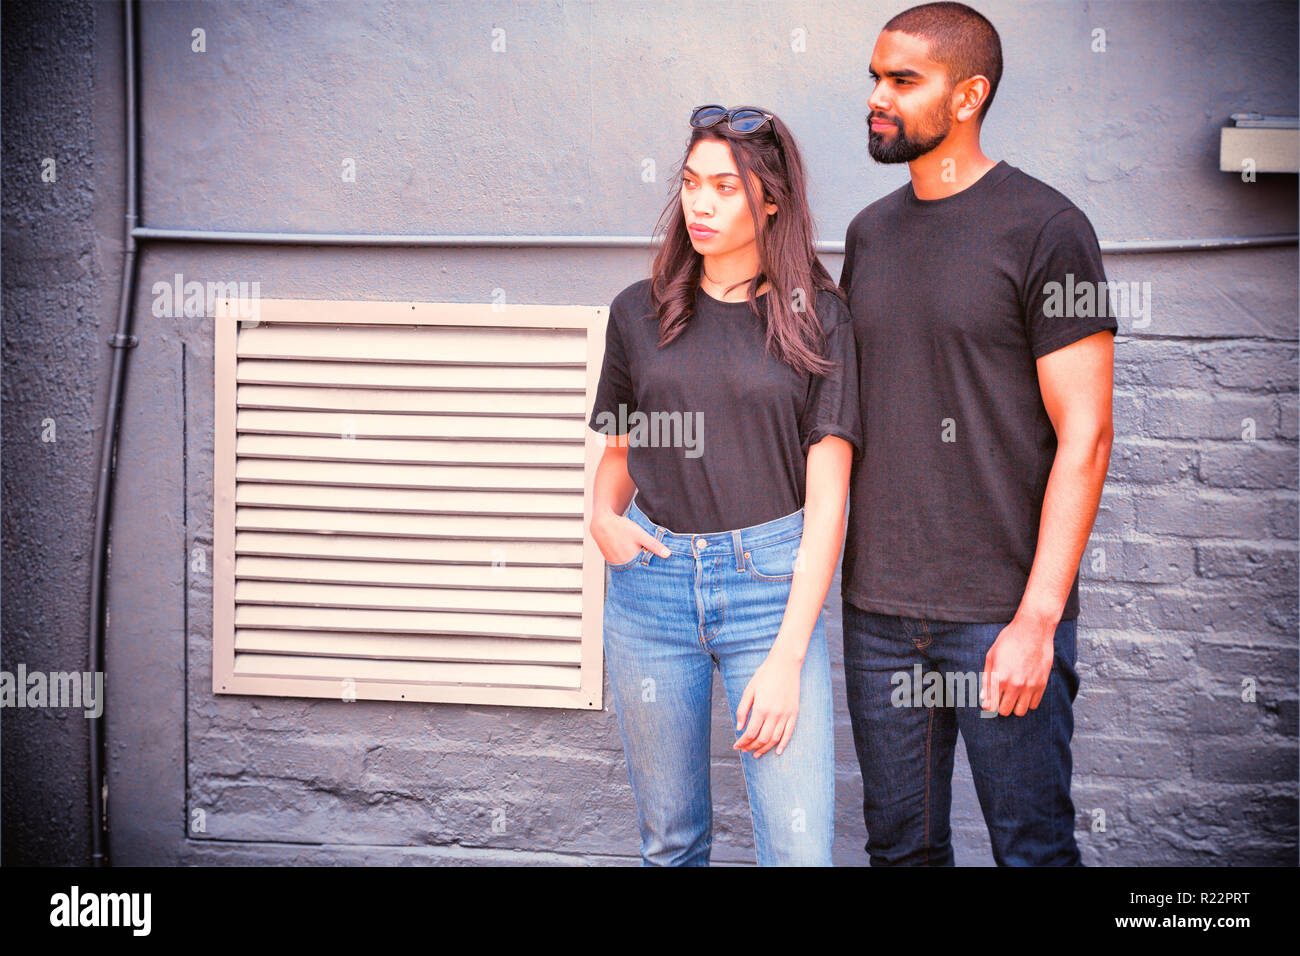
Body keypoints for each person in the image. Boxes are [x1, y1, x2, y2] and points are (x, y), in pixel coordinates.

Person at [839, 1, 1116, 866]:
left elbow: (1089, 434)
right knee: (901, 851)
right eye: (875, 78)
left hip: (999, 613)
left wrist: (1038, 618)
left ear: (968, 97)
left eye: (902, 81)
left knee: (1031, 850)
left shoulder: (1049, 229)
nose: (876, 98)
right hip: (879, 610)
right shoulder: (869, 234)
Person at [587, 104, 861, 866]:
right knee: (671, 843)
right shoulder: (638, 312)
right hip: (650, 589)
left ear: (770, 199)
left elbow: (829, 500)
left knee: (799, 850)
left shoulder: (818, 316)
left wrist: (787, 654)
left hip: (771, 590)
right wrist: (599, 518)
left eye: (724, 187)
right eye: (689, 184)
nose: (699, 204)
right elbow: (619, 455)